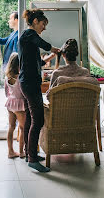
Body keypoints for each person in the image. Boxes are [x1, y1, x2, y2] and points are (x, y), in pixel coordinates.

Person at [18, 9, 60, 172]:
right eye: (43, 24)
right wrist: (54, 49)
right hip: (29, 83)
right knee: (38, 120)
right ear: (35, 21)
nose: (44, 27)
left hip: (29, 82)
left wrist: (50, 57)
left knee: (30, 119)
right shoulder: (28, 34)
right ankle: (32, 159)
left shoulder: (29, 40)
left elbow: (38, 63)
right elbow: (43, 44)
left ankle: (30, 154)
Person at [4, 53, 26, 159]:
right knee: (22, 128)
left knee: (11, 127)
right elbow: (23, 92)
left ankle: (10, 151)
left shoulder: (7, 77)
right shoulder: (20, 77)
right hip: (20, 104)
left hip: (10, 103)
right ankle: (21, 152)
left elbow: (6, 93)